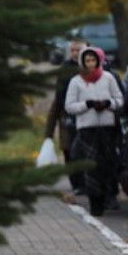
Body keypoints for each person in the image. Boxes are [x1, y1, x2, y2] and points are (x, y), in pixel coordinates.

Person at [65, 47, 124, 216]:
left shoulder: (108, 78)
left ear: (98, 61)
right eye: (87, 61)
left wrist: (108, 104)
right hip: (87, 129)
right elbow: (69, 106)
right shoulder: (76, 81)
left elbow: (119, 100)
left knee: (107, 164)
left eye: (93, 60)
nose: (90, 64)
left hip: (106, 127)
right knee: (91, 167)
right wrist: (87, 105)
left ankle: (108, 197)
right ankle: (95, 202)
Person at [44, 39, 86, 192]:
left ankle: (85, 181)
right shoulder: (65, 69)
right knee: (69, 150)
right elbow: (58, 98)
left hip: (85, 113)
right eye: (73, 50)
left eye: (78, 50)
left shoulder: (87, 68)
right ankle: (76, 183)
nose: (75, 53)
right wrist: (48, 134)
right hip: (66, 115)